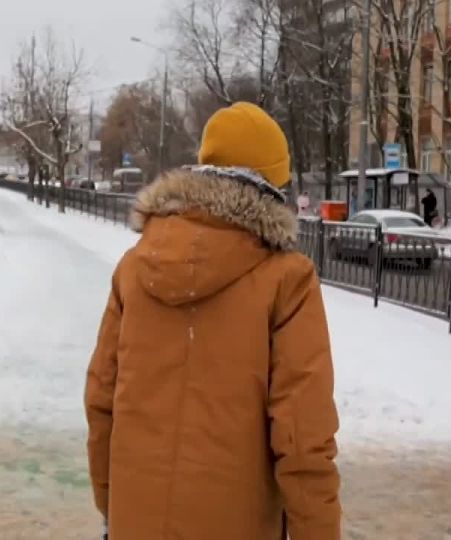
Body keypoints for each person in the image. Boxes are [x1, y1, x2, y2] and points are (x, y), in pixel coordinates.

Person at [85, 102, 341, 539]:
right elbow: (302, 437)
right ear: (276, 184)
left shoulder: (134, 266)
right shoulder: (287, 279)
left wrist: (116, 508)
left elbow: (102, 401)